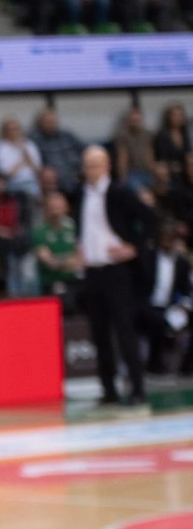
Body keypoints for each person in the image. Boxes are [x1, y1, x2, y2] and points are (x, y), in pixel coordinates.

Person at [74, 146, 160, 405]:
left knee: (124, 331)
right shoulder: (80, 194)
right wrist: (80, 246)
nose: (91, 170)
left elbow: (150, 219)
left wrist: (134, 248)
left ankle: (137, 389)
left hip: (117, 272)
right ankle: (108, 390)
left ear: (107, 166)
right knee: (99, 334)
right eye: (87, 165)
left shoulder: (119, 192)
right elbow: (84, 227)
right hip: (92, 271)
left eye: (95, 165)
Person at [138, 222, 191, 375]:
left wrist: (184, 306)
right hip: (147, 305)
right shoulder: (148, 258)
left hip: (171, 307)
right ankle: (154, 365)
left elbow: (186, 289)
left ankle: (187, 366)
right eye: (164, 237)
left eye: (170, 238)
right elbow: (138, 285)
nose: (167, 241)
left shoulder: (181, 262)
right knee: (157, 321)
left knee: (173, 319)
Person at [34, 191, 82, 307]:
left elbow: (81, 257)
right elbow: (48, 261)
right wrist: (68, 262)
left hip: (73, 280)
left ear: (66, 208)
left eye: (59, 207)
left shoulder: (73, 227)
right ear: (46, 209)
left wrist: (72, 262)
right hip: (51, 282)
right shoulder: (40, 231)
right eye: (53, 208)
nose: (56, 211)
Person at [31, 109, 85, 196]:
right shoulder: (35, 140)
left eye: (53, 121)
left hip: (76, 176)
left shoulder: (67, 135)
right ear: (40, 123)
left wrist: (83, 169)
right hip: (54, 182)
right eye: (48, 122)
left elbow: (85, 150)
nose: (51, 124)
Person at [0, 117, 43, 199]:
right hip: (12, 184)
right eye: (11, 129)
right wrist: (23, 161)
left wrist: (26, 153)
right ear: (5, 131)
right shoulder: (1, 148)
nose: (14, 132)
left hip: (31, 182)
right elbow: (6, 173)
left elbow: (38, 170)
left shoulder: (30, 145)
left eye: (16, 129)